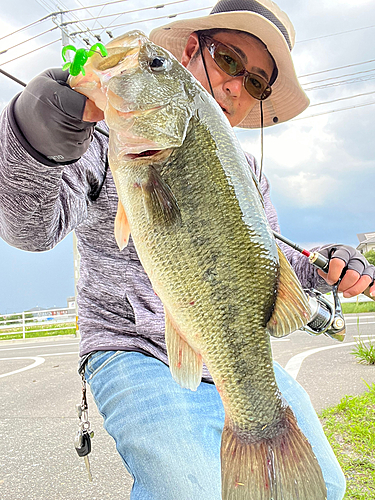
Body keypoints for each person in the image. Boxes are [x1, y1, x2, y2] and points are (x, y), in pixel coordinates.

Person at [1, 0, 374, 498]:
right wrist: (38, 133)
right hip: (131, 346)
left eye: (257, 83)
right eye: (228, 60)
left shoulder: (249, 173)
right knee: (188, 488)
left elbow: (264, 265)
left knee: (321, 484)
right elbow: (30, 228)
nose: (236, 86)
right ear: (193, 49)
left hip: (230, 349)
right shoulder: (99, 139)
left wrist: (324, 262)